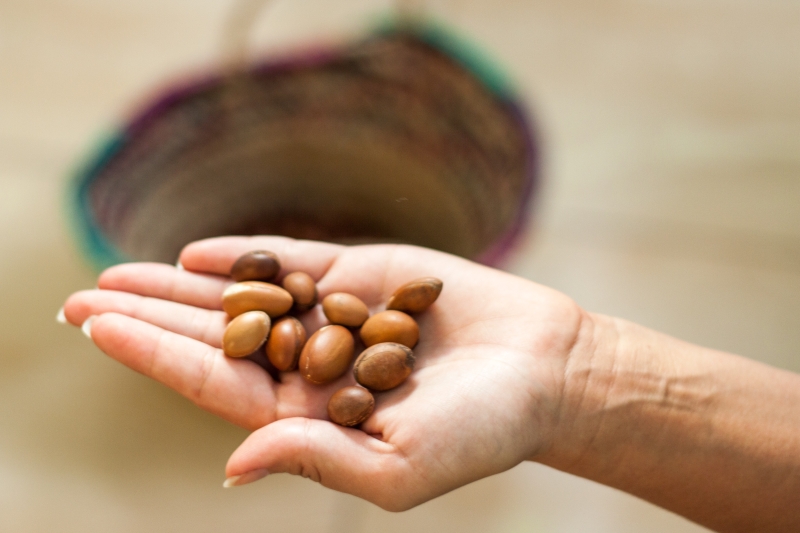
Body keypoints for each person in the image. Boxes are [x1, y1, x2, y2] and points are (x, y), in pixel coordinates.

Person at [60, 236, 800, 533]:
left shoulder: (352, 332)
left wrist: (576, 374)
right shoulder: (323, 323)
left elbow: (330, 346)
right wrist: (578, 376)